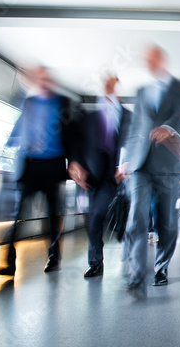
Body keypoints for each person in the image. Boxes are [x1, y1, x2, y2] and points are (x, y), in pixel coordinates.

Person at [117, 45, 180, 293]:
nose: (149, 61)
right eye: (146, 58)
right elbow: (135, 127)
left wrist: (168, 126)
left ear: (162, 58)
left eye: (153, 57)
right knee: (136, 217)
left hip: (168, 164)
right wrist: (125, 159)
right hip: (140, 165)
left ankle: (161, 267)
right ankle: (137, 274)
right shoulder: (141, 91)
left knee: (167, 222)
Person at [0, 66, 80, 276]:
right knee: (19, 214)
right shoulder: (29, 102)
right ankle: (8, 261)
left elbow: (73, 137)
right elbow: (13, 105)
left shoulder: (64, 103)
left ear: (51, 82)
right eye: (38, 79)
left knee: (53, 215)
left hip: (53, 166)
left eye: (46, 79)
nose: (42, 82)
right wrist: (23, 84)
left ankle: (53, 257)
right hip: (30, 166)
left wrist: (74, 162)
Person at [68, 74, 132, 277]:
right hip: (91, 174)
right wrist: (75, 163)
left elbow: (133, 140)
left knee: (101, 214)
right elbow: (76, 143)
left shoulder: (128, 116)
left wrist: (125, 162)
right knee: (93, 217)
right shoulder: (88, 117)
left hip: (114, 173)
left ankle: (120, 239)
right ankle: (96, 261)